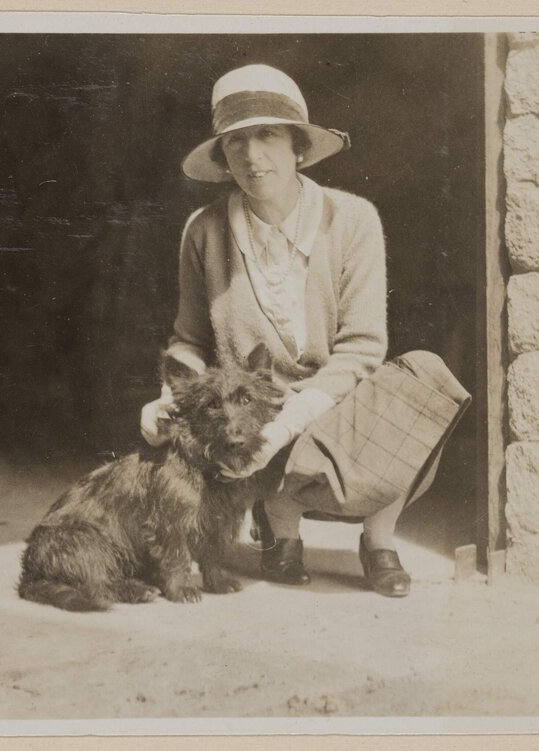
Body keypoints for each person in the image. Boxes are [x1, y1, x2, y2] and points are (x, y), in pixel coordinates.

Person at [141, 63, 416, 597]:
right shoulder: (204, 230)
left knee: (423, 378)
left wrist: (291, 421)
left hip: (333, 403)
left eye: (267, 135)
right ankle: (280, 526)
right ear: (222, 157)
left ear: (299, 148)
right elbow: (190, 340)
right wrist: (169, 399)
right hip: (252, 415)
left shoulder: (352, 219)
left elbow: (363, 348)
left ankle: (379, 539)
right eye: (235, 141)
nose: (251, 155)